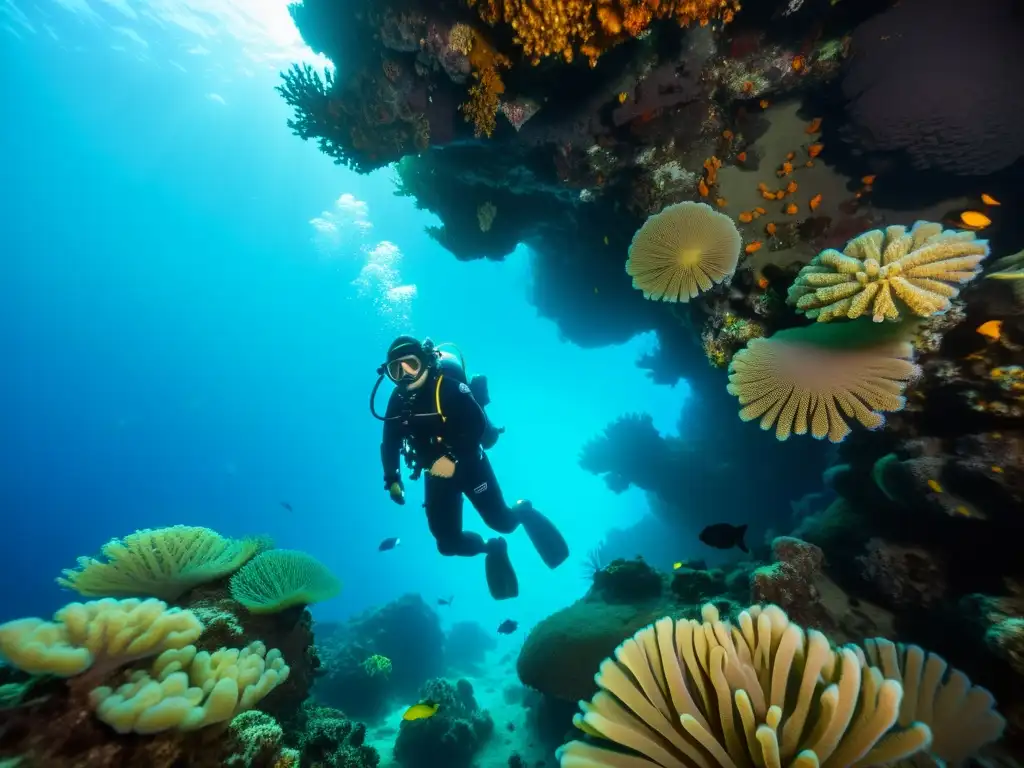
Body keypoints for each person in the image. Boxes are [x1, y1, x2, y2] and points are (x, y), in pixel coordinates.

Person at [371, 335, 569, 600]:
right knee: (447, 543)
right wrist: (392, 479)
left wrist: (452, 456)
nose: (405, 375)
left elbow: (476, 425)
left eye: (411, 365)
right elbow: (390, 441)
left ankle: (522, 511)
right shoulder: (397, 401)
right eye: (397, 370)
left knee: (502, 522)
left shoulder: (449, 387)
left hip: (471, 467)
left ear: (425, 363)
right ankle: (492, 549)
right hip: (437, 475)